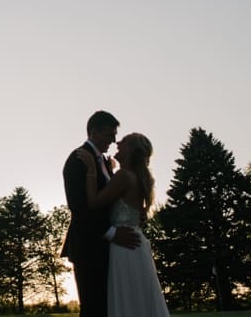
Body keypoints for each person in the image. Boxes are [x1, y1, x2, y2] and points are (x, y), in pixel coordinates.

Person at [75, 132, 170, 317]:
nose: (117, 142)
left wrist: (91, 169)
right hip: (135, 243)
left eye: (123, 142)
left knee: (128, 299)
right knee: (139, 300)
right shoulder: (135, 177)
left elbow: (94, 202)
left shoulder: (124, 176)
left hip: (124, 246)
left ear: (132, 151)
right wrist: (109, 170)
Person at [61, 111, 140, 317]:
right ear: (94, 132)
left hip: (110, 249)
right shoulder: (78, 159)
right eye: (109, 135)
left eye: (115, 135)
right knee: (94, 307)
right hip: (88, 246)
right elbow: (79, 208)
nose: (113, 141)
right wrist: (111, 233)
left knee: (110, 307)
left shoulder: (105, 162)